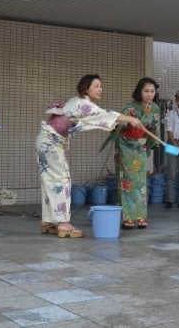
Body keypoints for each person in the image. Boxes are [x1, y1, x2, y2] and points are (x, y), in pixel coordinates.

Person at [37, 74, 142, 238]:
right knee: (61, 180)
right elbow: (105, 114)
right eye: (96, 86)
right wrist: (130, 119)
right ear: (86, 88)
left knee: (51, 180)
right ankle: (63, 223)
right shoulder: (83, 104)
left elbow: (91, 120)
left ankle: (49, 221)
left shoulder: (77, 102)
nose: (100, 89)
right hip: (51, 141)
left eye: (101, 86)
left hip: (46, 140)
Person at [114, 77, 161, 229]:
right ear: (139, 91)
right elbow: (119, 124)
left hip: (141, 146)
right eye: (146, 91)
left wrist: (151, 144)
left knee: (140, 181)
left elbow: (154, 129)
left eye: (152, 91)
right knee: (127, 181)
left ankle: (140, 215)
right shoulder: (130, 108)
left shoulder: (155, 109)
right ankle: (127, 217)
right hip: (125, 146)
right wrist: (129, 123)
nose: (149, 94)